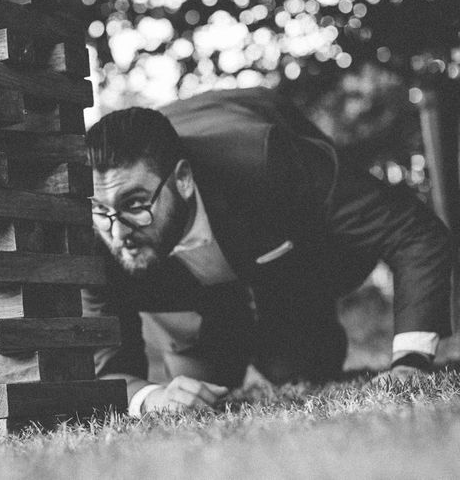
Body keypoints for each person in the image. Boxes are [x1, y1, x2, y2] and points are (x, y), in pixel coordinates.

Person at [82, 87, 453, 416]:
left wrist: (413, 360)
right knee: (195, 391)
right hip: (195, 304)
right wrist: (150, 396)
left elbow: (411, 230)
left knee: (302, 367)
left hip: (282, 261)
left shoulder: (266, 157)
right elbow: (109, 370)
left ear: (182, 179)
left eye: (135, 204)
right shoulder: (97, 235)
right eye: (102, 209)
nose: (117, 231)